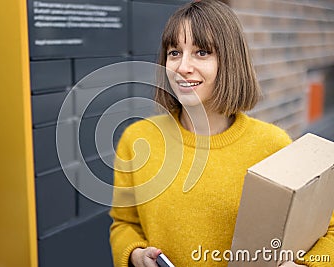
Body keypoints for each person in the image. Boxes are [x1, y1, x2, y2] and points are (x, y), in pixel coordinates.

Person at [109, 1, 334, 266]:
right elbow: (123, 223)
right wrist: (136, 255)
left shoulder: (273, 146)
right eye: (174, 52)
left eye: (201, 52)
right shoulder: (137, 139)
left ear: (230, 61)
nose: (183, 66)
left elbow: (328, 232)